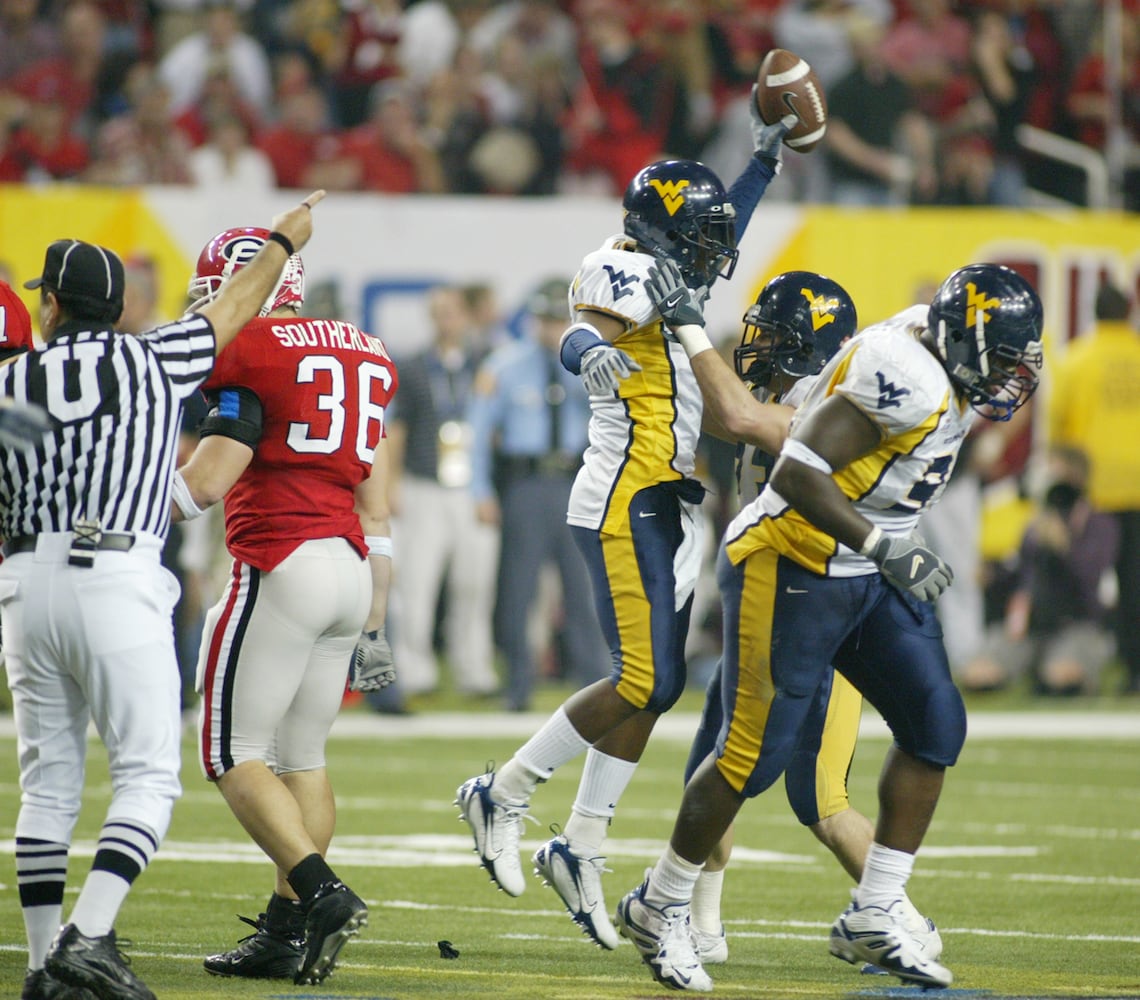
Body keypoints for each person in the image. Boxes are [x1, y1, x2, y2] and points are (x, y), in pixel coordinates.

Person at [617, 261, 1044, 991]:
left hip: (867, 568)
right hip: (792, 560)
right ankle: (660, 902)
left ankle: (874, 912)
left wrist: (882, 550)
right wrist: (884, 546)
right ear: (965, 340)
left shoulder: (937, 360)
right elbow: (798, 473)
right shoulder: (905, 373)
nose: (1009, 375)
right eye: (1001, 357)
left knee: (935, 722)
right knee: (751, 758)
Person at [455, 95, 796, 949]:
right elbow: (578, 328)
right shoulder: (622, 263)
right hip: (625, 494)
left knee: (660, 685)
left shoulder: (672, 261)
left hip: (671, 497)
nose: (719, 251)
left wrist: (762, 166)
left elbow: (717, 234)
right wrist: (587, 354)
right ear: (663, 230)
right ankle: (506, 790)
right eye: (705, 234)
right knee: (642, 680)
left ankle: (584, 841)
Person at [1, 191, 323, 1000]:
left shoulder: (16, 379)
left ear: (49, 304)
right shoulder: (154, 358)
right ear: (119, 309)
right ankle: (93, 933)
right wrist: (284, 238)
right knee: (147, 777)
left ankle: (45, 964)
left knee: (46, 786)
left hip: (24, 581)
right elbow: (239, 303)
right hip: (115, 574)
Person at [673, 270, 938, 972]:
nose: (758, 346)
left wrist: (684, 324)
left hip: (826, 607)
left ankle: (905, 921)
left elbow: (732, 417)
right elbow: (700, 404)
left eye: (775, 335)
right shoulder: (780, 391)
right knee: (714, 769)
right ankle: (698, 924)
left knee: (818, 798)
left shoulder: (834, 405)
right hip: (768, 601)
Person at [172, 225, 398, 985]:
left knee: (229, 751)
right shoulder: (364, 348)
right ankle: (284, 929)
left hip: (281, 559)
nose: (210, 307)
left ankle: (321, 894)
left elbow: (204, 468)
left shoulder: (254, 353)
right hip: (347, 563)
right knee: (302, 756)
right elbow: (373, 488)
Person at [468, 276, 608, 712]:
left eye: (557, 321)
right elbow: (476, 434)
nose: (550, 330)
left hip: (574, 481)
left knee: (583, 588)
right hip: (525, 484)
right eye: (544, 320)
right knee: (518, 589)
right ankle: (518, 685)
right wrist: (480, 490)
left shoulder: (590, 365)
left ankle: (595, 684)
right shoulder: (504, 366)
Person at [387, 283, 499, 701]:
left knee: (475, 582)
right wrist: (392, 484)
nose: (447, 320)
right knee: (418, 581)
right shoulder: (414, 367)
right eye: (439, 313)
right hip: (424, 485)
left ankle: (474, 669)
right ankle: (416, 669)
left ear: (465, 317)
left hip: (471, 487)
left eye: (453, 312)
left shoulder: (483, 363)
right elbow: (396, 430)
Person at [959, 445, 1119, 695]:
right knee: (977, 674)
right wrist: (994, 575)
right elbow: (1022, 573)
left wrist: (1065, 547)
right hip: (1029, 626)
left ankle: (1066, 673)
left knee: (1062, 677)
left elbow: (1090, 578)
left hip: (1076, 624)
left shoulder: (1099, 523)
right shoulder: (1036, 523)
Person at [1046, 280, 1140, 693]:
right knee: (1135, 581)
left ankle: (1080, 662)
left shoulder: (1076, 359)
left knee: (1083, 582)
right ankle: (1134, 670)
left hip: (1095, 492)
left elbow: (1058, 429)